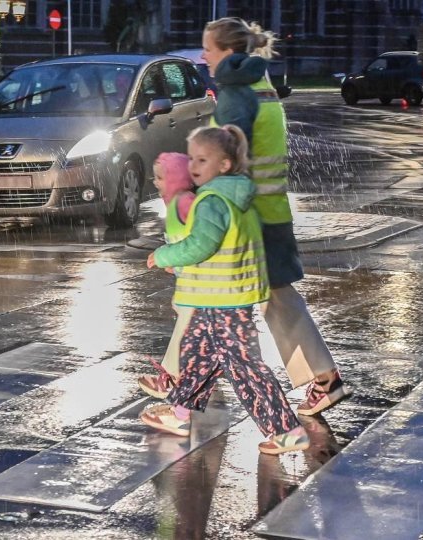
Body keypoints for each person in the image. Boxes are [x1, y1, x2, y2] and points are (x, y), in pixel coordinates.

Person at [203, 18, 351, 415]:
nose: (203, 56)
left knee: (206, 299)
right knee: (274, 299)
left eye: (209, 49)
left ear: (228, 53)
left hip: (247, 218)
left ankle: (183, 383)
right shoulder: (262, 86)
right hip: (270, 211)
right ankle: (324, 378)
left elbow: (225, 162)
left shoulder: (237, 95)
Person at [141, 125, 308, 455]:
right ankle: (179, 414)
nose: (193, 166)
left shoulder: (213, 201)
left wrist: (164, 255)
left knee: (246, 368)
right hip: (217, 297)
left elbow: (201, 245)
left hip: (223, 300)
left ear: (224, 164)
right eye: (191, 158)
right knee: (197, 357)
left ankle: (286, 430)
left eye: (202, 160)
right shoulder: (235, 197)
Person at [138, 152, 196, 399]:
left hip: (199, 284)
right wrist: (174, 263)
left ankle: (172, 378)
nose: (155, 182)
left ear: (176, 179)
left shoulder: (185, 202)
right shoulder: (175, 204)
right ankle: (188, 377)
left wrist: (166, 257)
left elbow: (197, 243)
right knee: (190, 328)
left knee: (186, 329)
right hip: (191, 282)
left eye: (161, 178)